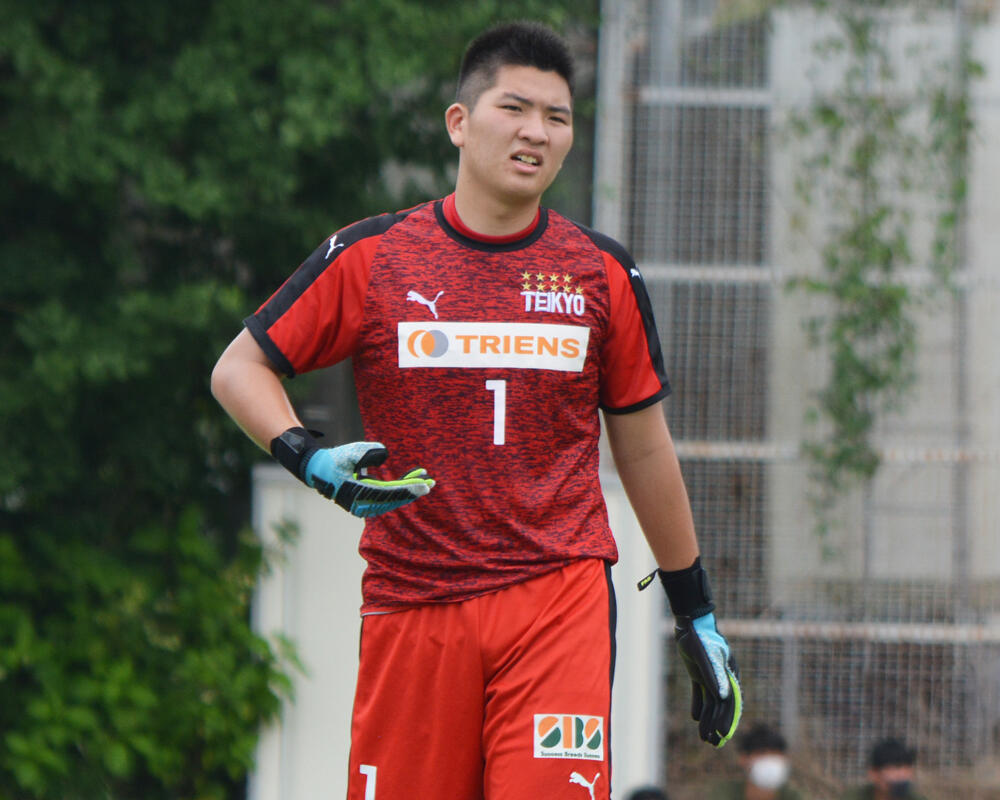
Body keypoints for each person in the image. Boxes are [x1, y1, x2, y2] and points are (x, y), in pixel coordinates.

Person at [211, 20, 741, 800]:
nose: (536, 131)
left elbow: (645, 449)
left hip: (556, 599)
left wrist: (693, 607)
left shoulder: (601, 272)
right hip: (413, 603)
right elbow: (238, 368)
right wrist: (309, 457)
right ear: (459, 123)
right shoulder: (375, 255)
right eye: (515, 108)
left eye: (558, 117)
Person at [708, 723, 805, 800]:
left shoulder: (793, 796)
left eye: (775, 755)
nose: (770, 762)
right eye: (762, 754)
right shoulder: (725, 793)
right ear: (743, 758)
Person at [839, 738, 928, 800]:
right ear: (873, 774)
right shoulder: (855, 797)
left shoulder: (915, 798)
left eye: (906, 769)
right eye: (894, 769)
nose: (901, 776)